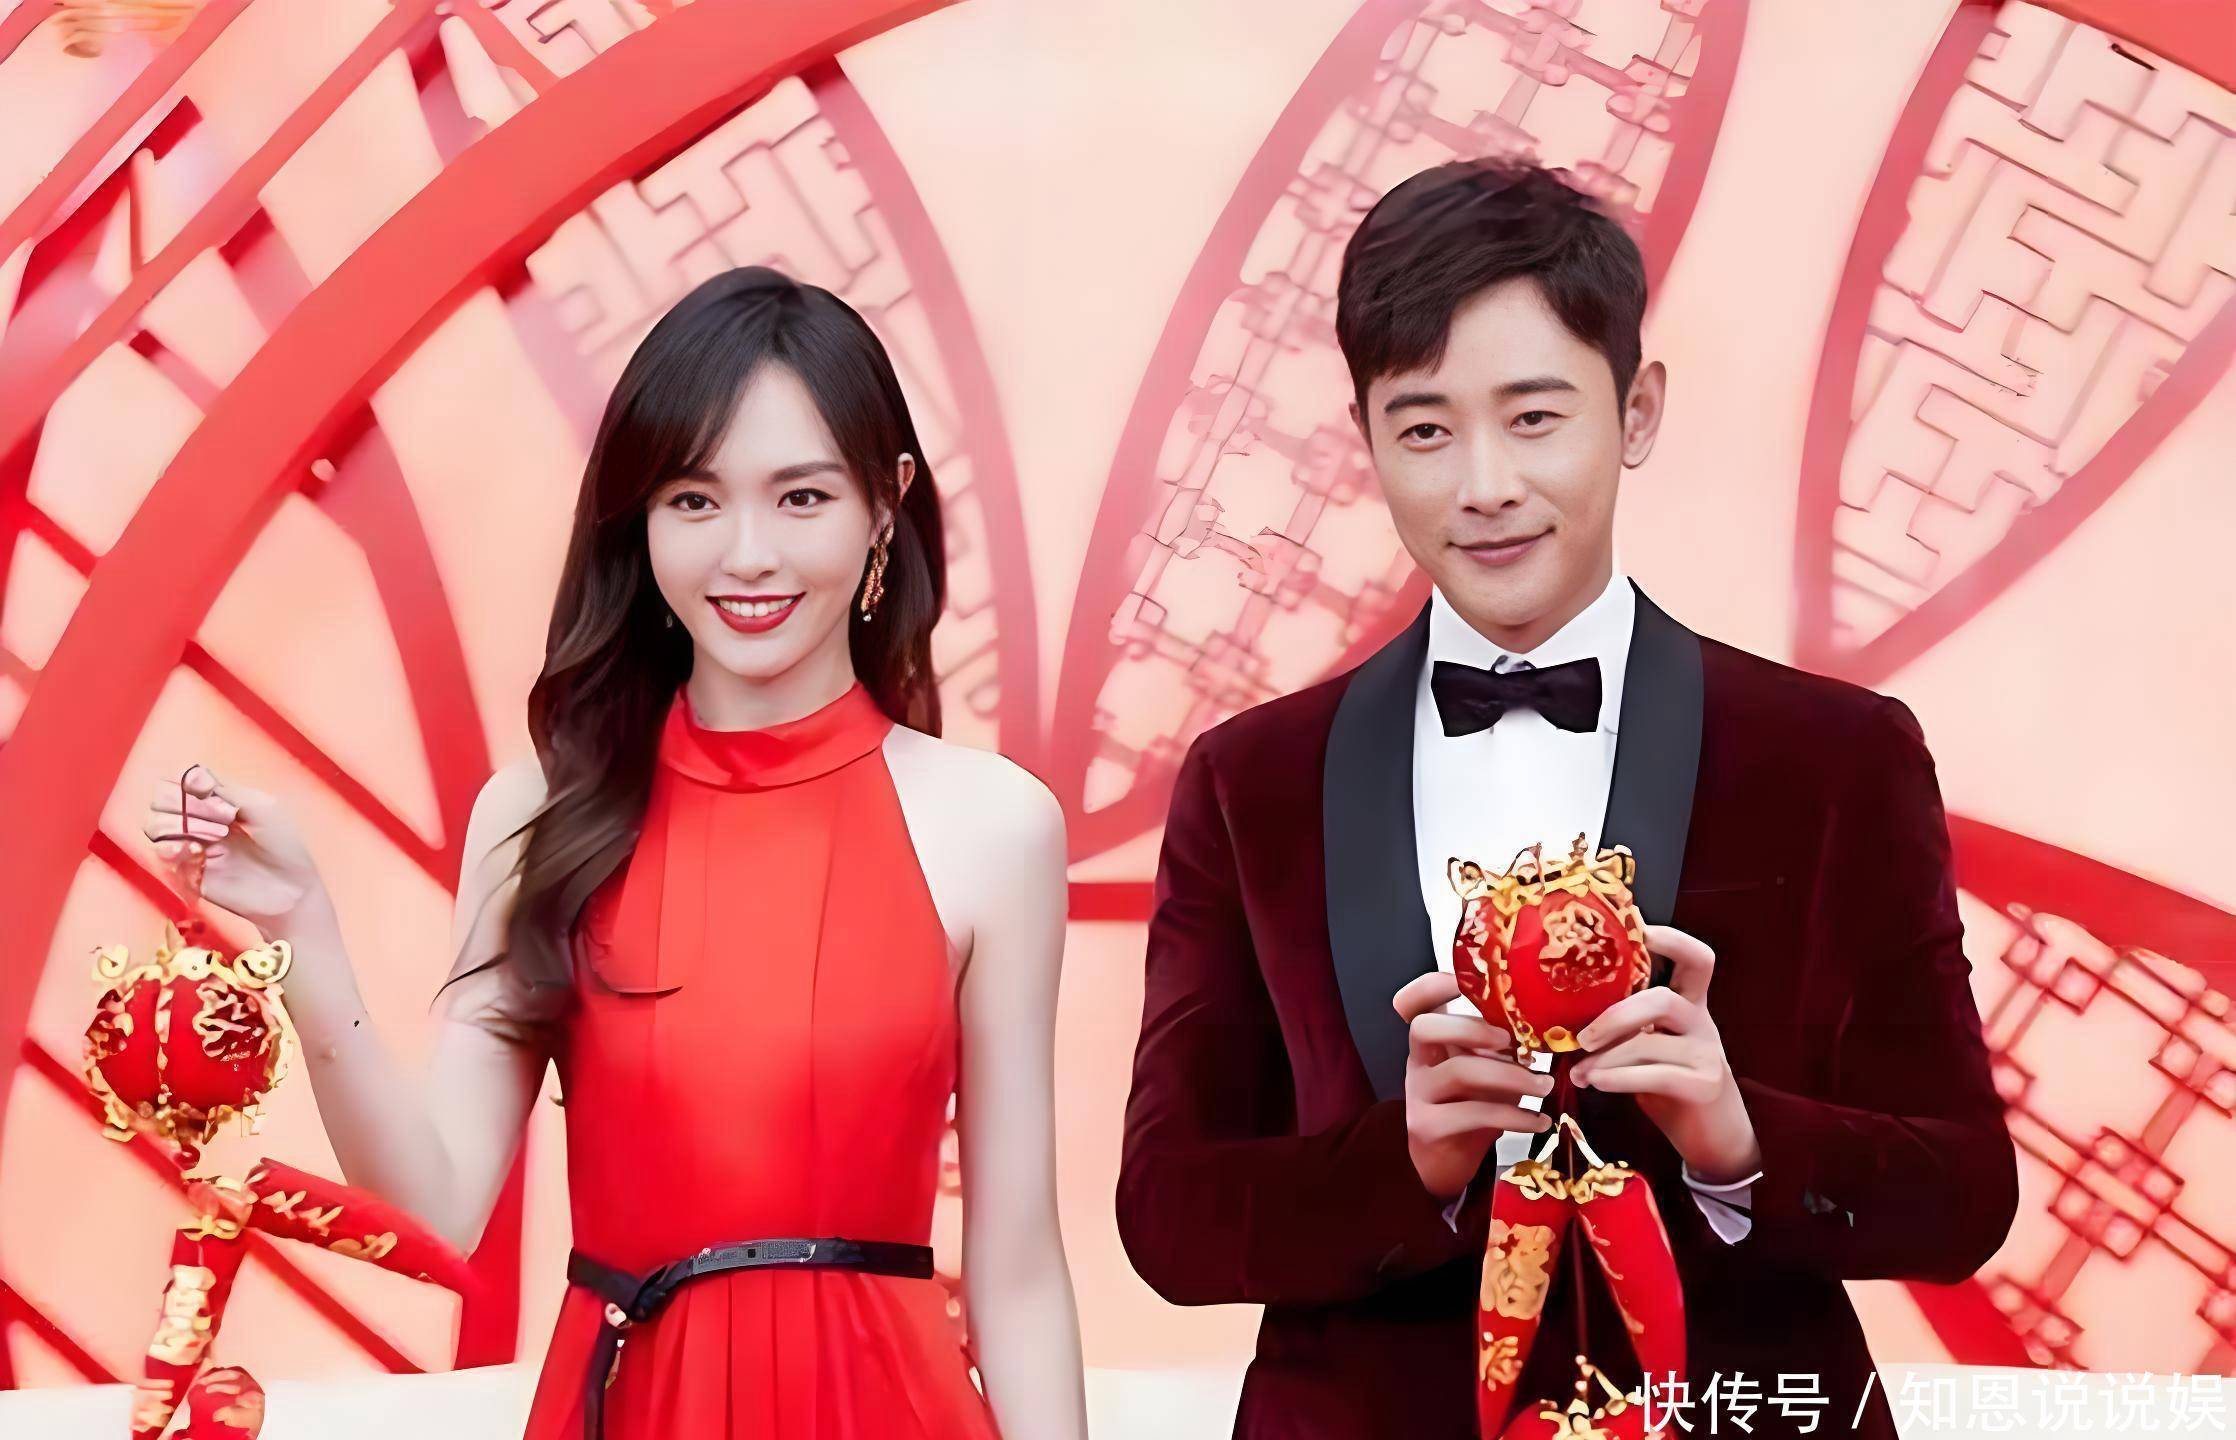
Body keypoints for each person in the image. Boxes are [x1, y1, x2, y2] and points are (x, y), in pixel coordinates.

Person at [1115, 159, 2017, 1438]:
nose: (1483, 483)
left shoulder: (1835, 757)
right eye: (1424, 429)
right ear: (1365, 437)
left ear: (1636, 411)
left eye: (1534, 417)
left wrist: (1740, 1138)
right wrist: (1404, 1162)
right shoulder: (1249, 779)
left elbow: (1965, 1192)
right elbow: (1167, 1214)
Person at [142, 267, 1089, 1440]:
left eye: (801, 498)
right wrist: (305, 934)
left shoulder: (993, 825)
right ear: (639, 521)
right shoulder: (541, 814)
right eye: (694, 500)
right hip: (628, 1405)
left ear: (884, 504)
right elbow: (435, 1202)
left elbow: (1019, 1271)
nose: (747, 554)